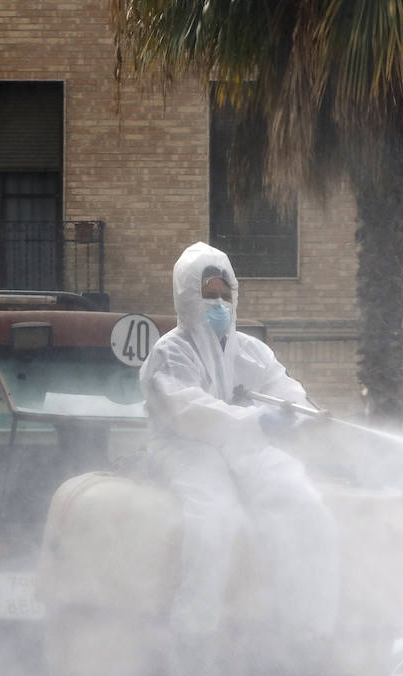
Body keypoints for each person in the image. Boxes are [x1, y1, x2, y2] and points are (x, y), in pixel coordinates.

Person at [139, 241, 339, 647]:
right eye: (208, 295)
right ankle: (194, 632)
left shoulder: (250, 350)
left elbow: (283, 389)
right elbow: (189, 412)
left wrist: (300, 417)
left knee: (305, 505)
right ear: (187, 297)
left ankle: (310, 630)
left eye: (224, 297)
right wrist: (258, 423)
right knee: (214, 518)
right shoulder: (170, 352)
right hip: (184, 448)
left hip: (245, 442)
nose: (218, 305)